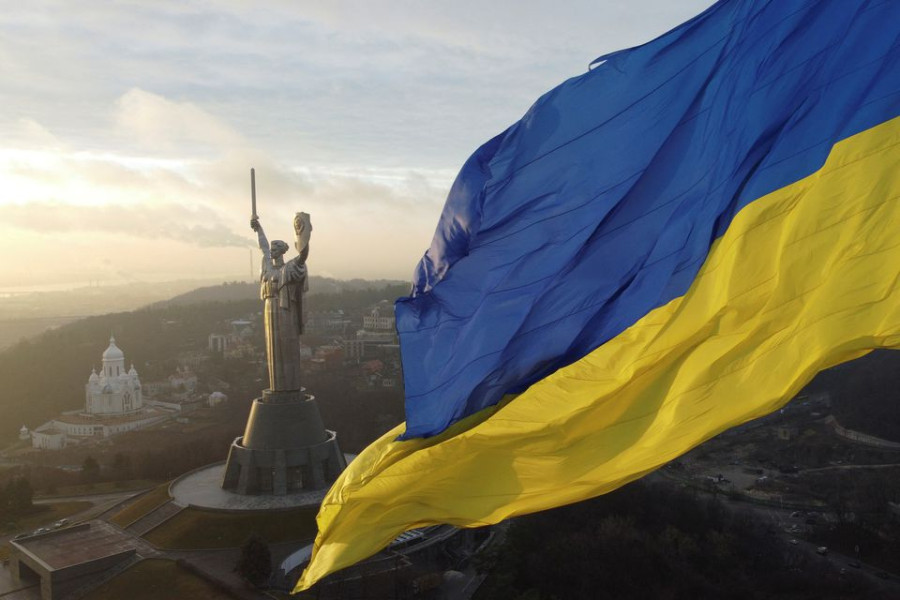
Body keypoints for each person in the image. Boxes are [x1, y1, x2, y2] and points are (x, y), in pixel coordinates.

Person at [251, 213, 312, 391]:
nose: (271, 251)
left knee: (287, 345)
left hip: (285, 309)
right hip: (269, 308)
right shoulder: (268, 266)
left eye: (275, 248)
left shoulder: (289, 268)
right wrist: (258, 228)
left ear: (282, 250)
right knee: (273, 346)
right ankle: (276, 388)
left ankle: (290, 386)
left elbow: (303, 256)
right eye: (271, 248)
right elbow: (263, 246)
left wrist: (302, 233)